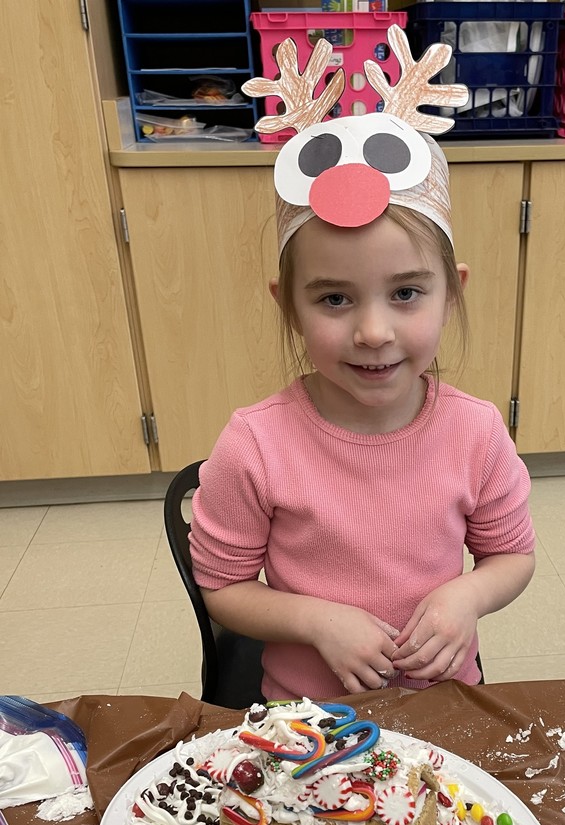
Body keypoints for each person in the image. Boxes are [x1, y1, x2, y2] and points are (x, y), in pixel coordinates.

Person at [189, 27, 535, 703]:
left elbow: (511, 558)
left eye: (405, 293)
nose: (373, 332)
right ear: (287, 306)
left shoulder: (477, 433)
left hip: (444, 707)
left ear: (451, 290)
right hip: (306, 722)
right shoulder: (254, 445)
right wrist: (316, 620)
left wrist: (467, 596)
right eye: (333, 299)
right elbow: (222, 587)